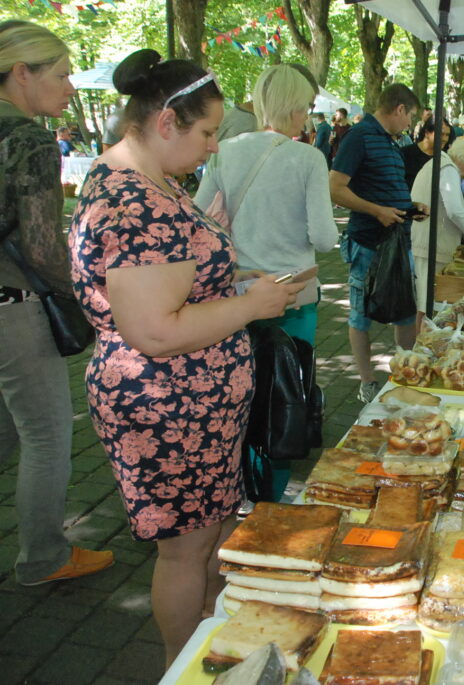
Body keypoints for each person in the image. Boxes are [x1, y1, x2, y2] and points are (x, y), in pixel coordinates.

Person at [67, 49, 307, 667]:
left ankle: (211, 643)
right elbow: (156, 331)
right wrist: (250, 305)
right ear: (166, 122)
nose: (214, 147)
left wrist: (229, 277)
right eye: (206, 133)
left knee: (207, 537)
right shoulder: (136, 201)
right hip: (167, 404)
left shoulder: (147, 181)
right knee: (185, 550)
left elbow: (173, 284)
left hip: (190, 404)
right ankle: (184, 665)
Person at [0, 19, 114, 588]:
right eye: (62, 74)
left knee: (7, 428)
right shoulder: (28, 139)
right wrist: (88, 294)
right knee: (46, 435)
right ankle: (43, 557)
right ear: (22, 73)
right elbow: (44, 248)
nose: (71, 87)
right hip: (13, 306)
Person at [196, 64, 337, 501]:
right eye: (306, 107)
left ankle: (233, 489)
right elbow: (325, 238)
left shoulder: (224, 150)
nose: (307, 115)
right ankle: (268, 500)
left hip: (237, 297)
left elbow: (198, 218)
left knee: (240, 397)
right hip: (293, 297)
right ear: (294, 107)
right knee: (283, 402)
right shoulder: (308, 158)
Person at [330, 83, 428, 403]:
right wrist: (377, 211)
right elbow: (335, 188)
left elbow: (385, 189)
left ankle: (407, 372)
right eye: (410, 116)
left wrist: (410, 208)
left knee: (405, 312)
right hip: (368, 244)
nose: (410, 123)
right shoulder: (359, 136)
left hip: (397, 243)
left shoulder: (391, 141)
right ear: (399, 109)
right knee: (361, 316)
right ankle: (367, 383)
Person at [410, 141, 464, 329]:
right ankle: (422, 343)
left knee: (425, 303)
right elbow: (454, 210)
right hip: (433, 245)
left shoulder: (438, 163)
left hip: (427, 242)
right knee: (427, 304)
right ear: (463, 160)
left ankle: (421, 341)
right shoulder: (448, 169)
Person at [400, 114, 451, 190]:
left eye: (447, 135)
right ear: (427, 133)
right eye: (441, 134)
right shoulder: (404, 154)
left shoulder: (444, 159)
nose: (445, 139)